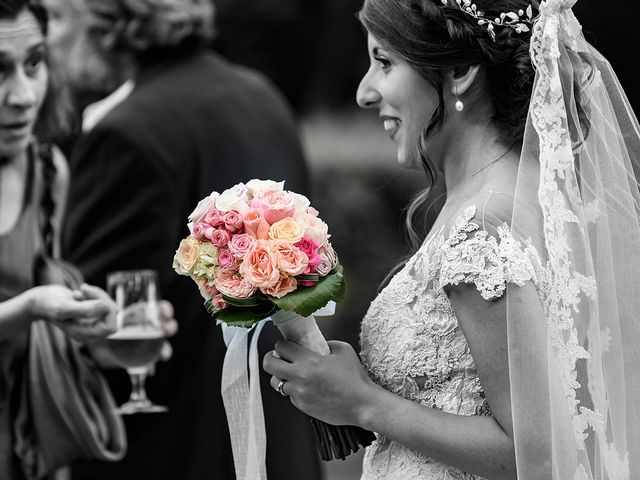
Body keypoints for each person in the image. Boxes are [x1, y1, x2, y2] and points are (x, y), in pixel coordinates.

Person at [264, 0, 640, 479]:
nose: (364, 92)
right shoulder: (518, 197)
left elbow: (538, 457)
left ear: (460, 70)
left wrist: (362, 403)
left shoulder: (481, 227)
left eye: (384, 62)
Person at [57, 1, 321, 479]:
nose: (53, 40)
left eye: (59, 17)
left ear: (105, 23)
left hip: (176, 447)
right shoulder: (261, 97)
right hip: (278, 434)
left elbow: (95, 318)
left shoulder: (125, 133)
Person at [0, 1, 118, 478]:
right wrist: (30, 308)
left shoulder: (48, 173)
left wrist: (91, 330)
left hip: (31, 444)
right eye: (0, 71)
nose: (23, 96)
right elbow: (28, 305)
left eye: (34, 62)